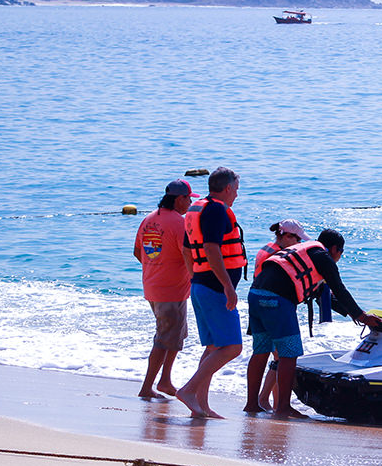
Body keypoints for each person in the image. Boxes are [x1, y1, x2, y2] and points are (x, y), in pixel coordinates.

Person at [243, 228, 382, 418]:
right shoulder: (323, 257)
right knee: (289, 353)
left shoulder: (305, 251)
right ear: (334, 249)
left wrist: (351, 314)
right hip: (277, 300)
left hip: (255, 295)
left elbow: (324, 296)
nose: (339, 257)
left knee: (260, 351)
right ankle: (282, 407)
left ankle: (252, 404)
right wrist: (362, 316)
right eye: (341, 254)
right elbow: (339, 288)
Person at [176, 167, 246, 419]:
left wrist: (195, 277)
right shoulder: (216, 209)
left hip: (201, 286)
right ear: (227, 188)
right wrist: (227, 286)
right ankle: (188, 390)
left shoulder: (197, 208)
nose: (237, 195)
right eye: (236, 189)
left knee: (213, 346)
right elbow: (211, 248)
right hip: (215, 288)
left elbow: (186, 250)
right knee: (232, 347)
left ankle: (201, 406)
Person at [132, 178, 197, 399]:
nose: (189, 203)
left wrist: (156, 269)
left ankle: (165, 381)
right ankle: (146, 387)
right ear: (179, 199)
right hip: (171, 290)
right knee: (164, 339)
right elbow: (188, 254)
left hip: (153, 287)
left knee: (175, 336)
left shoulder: (149, 219)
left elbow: (138, 252)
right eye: (188, 199)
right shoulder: (179, 223)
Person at [254, 219, 309, 411]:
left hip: (260, 306)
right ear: (286, 236)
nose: (300, 244)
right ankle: (264, 399)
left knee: (274, 356)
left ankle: (274, 403)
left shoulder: (266, 248)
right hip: (272, 307)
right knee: (281, 358)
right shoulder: (279, 255)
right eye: (297, 239)